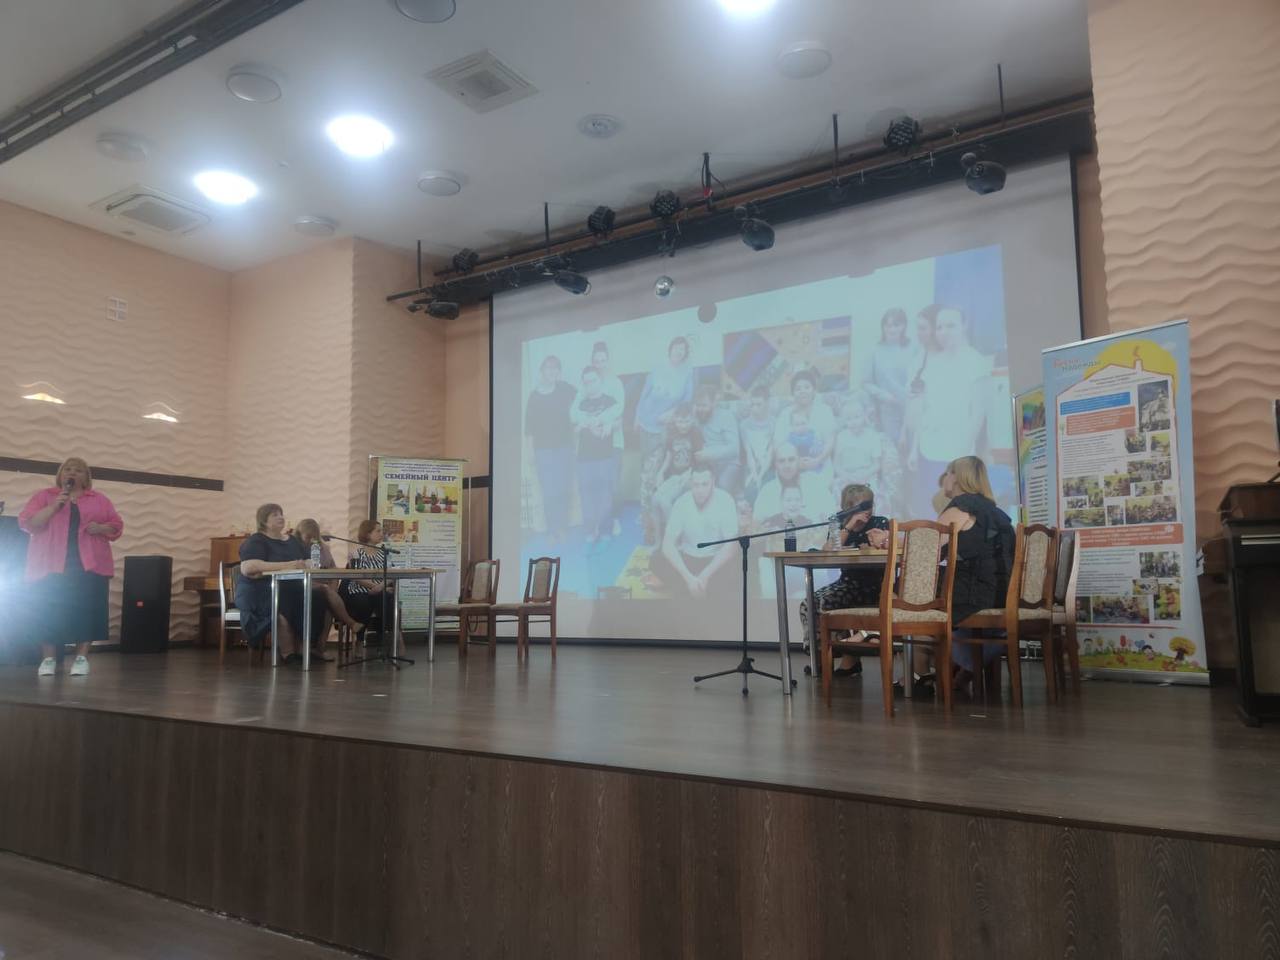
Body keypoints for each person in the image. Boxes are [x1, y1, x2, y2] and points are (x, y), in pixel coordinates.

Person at [18, 457, 123, 677]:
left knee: (87, 611)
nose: (72, 473)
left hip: (89, 564)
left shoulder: (99, 499)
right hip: (50, 564)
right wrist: (54, 506)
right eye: (67, 469)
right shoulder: (45, 496)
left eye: (78, 470)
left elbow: (116, 526)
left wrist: (100, 528)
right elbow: (28, 524)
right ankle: (48, 659)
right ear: (60, 475)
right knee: (48, 611)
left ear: (86, 477)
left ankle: (81, 658)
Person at [907, 306, 994, 518]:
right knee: (929, 511)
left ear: (964, 326)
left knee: (957, 514)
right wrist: (914, 449)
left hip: (957, 454)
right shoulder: (932, 363)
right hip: (928, 449)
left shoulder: (976, 362)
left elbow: (978, 413)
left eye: (950, 326)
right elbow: (923, 409)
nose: (944, 332)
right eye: (939, 327)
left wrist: (962, 454)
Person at [797, 484, 891, 677]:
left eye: (869, 505)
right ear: (849, 507)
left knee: (825, 602)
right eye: (862, 506)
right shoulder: (840, 524)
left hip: (874, 585)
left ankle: (839, 654)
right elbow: (828, 549)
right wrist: (849, 525)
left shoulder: (879, 522)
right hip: (847, 583)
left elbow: (885, 547)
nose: (867, 510)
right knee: (808, 604)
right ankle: (820, 657)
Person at [937, 456, 1016, 685]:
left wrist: (887, 540)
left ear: (957, 477)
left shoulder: (961, 506)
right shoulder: (995, 511)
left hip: (976, 594)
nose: (944, 478)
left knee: (905, 592)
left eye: (948, 472)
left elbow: (924, 546)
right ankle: (961, 669)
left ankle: (919, 673)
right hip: (1003, 593)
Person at [235, 503, 324, 665]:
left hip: (288, 587)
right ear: (264, 521)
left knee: (316, 598)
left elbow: (307, 559)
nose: (280, 517)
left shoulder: (292, 540)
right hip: (259, 591)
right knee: (281, 603)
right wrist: (290, 565)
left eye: (281, 514)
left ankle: (305, 650)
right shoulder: (256, 540)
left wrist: (308, 563)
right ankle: (288, 654)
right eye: (275, 515)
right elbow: (248, 567)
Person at [649, 467, 738, 600]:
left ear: (713, 482)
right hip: (689, 558)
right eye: (696, 485)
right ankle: (694, 586)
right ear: (690, 483)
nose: (700, 490)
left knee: (738, 570)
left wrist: (704, 576)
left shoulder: (725, 500)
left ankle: (687, 587)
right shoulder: (681, 502)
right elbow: (668, 544)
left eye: (705, 484)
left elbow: (731, 547)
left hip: (714, 560)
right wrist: (689, 578)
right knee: (656, 560)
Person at [524, 354, 577, 543]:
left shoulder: (565, 389)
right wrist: (530, 452)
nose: (552, 371)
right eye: (548, 367)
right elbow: (529, 429)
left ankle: (562, 527)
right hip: (543, 451)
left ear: (559, 371)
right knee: (549, 491)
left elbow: (582, 401)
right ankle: (553, 530)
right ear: (542, 371)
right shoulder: (534, 397)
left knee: (563, 488)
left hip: (564, 448)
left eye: (555, 368)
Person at [293, 518, 362, 661]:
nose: (311, 540)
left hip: (324, 588)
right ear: (300, 535)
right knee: (326, 593)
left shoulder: (323, 548)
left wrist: (333, 589)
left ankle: (320, 647)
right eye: (308, 537)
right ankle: (351, 623)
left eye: (314, 537)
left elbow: (333, 571)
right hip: (304, 585)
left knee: (329, 606)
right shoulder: (295, 547)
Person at [572, 366, 621, 542]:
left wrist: (609, 425)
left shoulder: (611, 401)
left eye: (593, 380)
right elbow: (574, 429)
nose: (590, 385)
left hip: (605, 456)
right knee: (587, 496)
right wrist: (583, 426)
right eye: (586, 382)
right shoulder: (580, 404)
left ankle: (605, 530)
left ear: (600, 380)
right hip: (584, 458)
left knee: (605, 495)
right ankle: (590, 531)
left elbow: (618, 423)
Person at [831, 391, 900, 514]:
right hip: (846, 476)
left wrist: (864, 475)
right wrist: (847, 476)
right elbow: (836, 464)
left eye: (857, 417)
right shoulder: (841, 437)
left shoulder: (873, 436)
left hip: (868, 475)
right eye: (849, 419)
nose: (853, 422)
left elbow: (877, 464)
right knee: (842, 499)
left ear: (864, 416)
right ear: (844, 420)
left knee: (870, 500)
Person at [634, 335, 695, 456]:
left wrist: (672, 412)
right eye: (676, 348)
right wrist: (637, 416)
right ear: (670, 349)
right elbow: (644, 393)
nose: (678, 351)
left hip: (667, 424)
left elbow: (687, 399)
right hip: (645, 421)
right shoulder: (657, 368)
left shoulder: (687, 372)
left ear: (685, 353)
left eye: (682, 349)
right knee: (646, 458)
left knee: (661, 457)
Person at [590, 341, 627, 537]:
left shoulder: (616, 383)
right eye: (596, 361)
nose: (600, 364)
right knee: (597, 485)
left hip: (614, 443)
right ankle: (598, 524)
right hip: (594, 446)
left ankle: (615, 520)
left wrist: (608, 425)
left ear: (608, 361)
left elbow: (619, 414)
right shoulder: (588, 384)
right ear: (592, 362)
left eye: (603, 360)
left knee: (613, 484)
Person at [863, 308, 914, 445]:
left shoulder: (913, 348)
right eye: (888, 325)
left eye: (896, 325)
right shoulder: (874, 351)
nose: (891, 329)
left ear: (904, 326)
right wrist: (883, 395)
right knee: (894, 450)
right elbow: (866, 383)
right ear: (883, 327)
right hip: (888, 410)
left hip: (912, 409)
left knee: (913, 449)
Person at [651, 401, 704, 532]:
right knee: (655, 500)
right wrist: (660, 473)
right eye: (680, 421)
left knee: (664, 500)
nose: (683, 425)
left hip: (690, 476)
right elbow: (669, 456)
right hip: (675, 476)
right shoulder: (672, 433)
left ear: (692, 419)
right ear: (675, 420)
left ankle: (675, 536)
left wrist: (690, 473)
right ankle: (658, 540)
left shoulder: (695, 433)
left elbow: (700, 459)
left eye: (687, 421)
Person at [772, 369, 836, 478]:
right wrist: (793, 462)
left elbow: (830, 441)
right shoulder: (785, 414)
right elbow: (778, 444)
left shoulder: (825, 410)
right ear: (793, 393)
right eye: (798, 389)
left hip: (820, 464)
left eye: (807, 387)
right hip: (789, 466)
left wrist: (818, 460)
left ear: (814, 390)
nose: (803, 391)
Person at [340, 520, 394, 639]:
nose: (381, 534)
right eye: (378, 531)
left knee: (386, 600)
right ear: (368, 534)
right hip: (360, 589)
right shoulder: (356, 554)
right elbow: (355, 577)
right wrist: (375, 587)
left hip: (380, 590)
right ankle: (359, 641)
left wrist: (380, 587)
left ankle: (394, 638)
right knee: (363, 602)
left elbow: (392, 574)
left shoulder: (385, 553)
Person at [692, 383, 742, 494]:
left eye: (704, 405)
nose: (700, 409)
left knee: (721, 489)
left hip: (729, 463)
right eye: (698, 405)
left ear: (714, 403)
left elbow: (734, 449)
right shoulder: (697, 416)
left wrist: (710, 454)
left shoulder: (726, 416)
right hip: (707, 464)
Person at [739, 386, 775, 502]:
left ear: (767, 404)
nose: (754, 408)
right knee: (751, 491)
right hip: (752, 466)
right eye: (752, 404)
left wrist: (760, 475)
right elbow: (748, 452)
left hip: (769, 465)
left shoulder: (774, 423)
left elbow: (770, 452)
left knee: (767, 489)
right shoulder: (744, 425)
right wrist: (754, 474)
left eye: (759, 404)